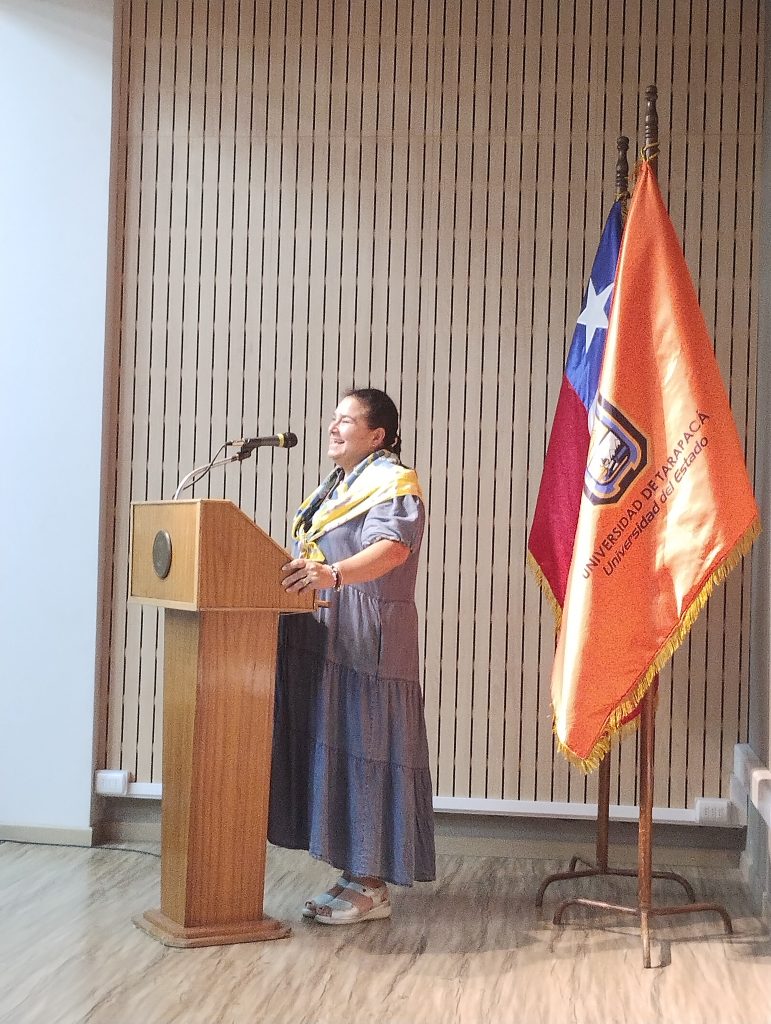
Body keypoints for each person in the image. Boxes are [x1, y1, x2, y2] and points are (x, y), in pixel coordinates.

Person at [268, 387, 436, 925]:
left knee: (367, 747)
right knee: (338, 746)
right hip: (327, 629)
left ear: (377, 435)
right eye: (334, 418)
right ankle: (353, 871)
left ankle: (373, 885)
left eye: (347, 420)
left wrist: (334, 574)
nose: (333, 427)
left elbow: (393, 549)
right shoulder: (337, 486)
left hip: (367, 636)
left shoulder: (393, 483)